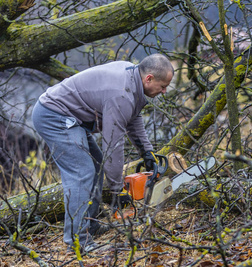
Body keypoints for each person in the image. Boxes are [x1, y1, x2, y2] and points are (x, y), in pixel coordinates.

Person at [32, 54, 174, 252]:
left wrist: (147, 152)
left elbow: (133, 118)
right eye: (163, 86)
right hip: (53, 115)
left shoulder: (133, 78)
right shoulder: (121, 95)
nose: (165, 91)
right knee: (82, 172)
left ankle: (89, 224)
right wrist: (117, 190)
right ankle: (77, 242)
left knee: (96, 165)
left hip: (73, 118)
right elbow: (113, 147)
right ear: (148, 78)